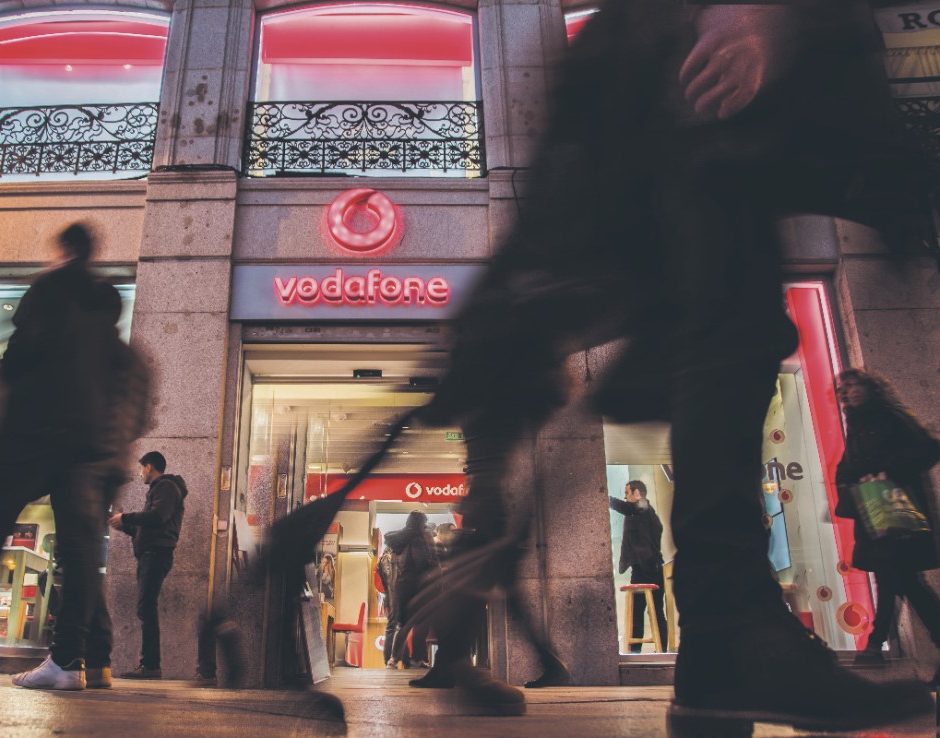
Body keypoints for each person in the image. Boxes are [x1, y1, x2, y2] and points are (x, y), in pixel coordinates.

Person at [396, 0, 933, 728]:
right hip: (679, 73)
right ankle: (727, 637)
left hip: (666, 98)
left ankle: (726, 640)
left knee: (727, 305)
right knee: (728, 306)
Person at [0, 223, 149, 691]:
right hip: (85, 450)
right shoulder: (110, 328)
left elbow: (20, 355)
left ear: (63, 249)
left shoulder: (52, 289)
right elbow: (129, 401)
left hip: (32, 438)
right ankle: (77, 662)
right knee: (81, 557)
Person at [833, 368, 940, 678]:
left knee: (893, 576)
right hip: (875, 511)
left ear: (870, 386)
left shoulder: (890, 416)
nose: (846, 391)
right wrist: (855, 481)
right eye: (842, 388)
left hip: (894, 511)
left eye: (852, 384)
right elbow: (846, 466)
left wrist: (887, 471)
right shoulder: (856, 423)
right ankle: (874, 648)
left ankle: (873, 647)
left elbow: (927, 448)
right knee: (904, 581)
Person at [109, 451, 188, 680]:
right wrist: (122, 524)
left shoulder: (165, 487)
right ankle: (150, 665)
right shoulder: (160, 490)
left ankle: (151, 666)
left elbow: (157, 518)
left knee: (146, 607)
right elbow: (146, 526)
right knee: (145, 607)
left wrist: (126, 518)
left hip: (156, 554)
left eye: (142, 468)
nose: (140, 473)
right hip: (150, 554)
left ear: (150, 466)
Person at [609, 480, 668, 653]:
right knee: (642, 612)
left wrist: (603, 496)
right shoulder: (644, 514)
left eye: (627, 493)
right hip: (645, 568)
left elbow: (628, 508)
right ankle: (640, 651)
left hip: (649, 569)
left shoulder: (642, 507)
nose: (625, 497)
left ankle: (657, 651)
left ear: (637, 494)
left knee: (653, 612)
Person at [384, 511, 437, 667]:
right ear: (419, 524)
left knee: (404, 624)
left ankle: (393, 659)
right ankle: (417, 658)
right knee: (422, 623)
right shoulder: (417, 540)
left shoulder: (401, 539)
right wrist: (433, 562)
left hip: (402, 585)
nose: (425, 526)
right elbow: (421, 563)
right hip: (417, 586)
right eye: (424, 523)